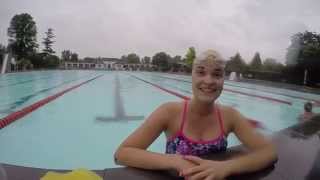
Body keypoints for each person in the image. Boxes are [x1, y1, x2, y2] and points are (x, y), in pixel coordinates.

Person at [114, 50, 277, 180]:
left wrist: (226, 167)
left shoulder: (230, 116)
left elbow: (269, 152)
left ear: (223, 80)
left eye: (217, 74)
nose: (209, 81)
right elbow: (122, 153)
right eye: (201, 72)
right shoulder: (169, 112)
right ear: (191, 76)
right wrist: (175, 161)